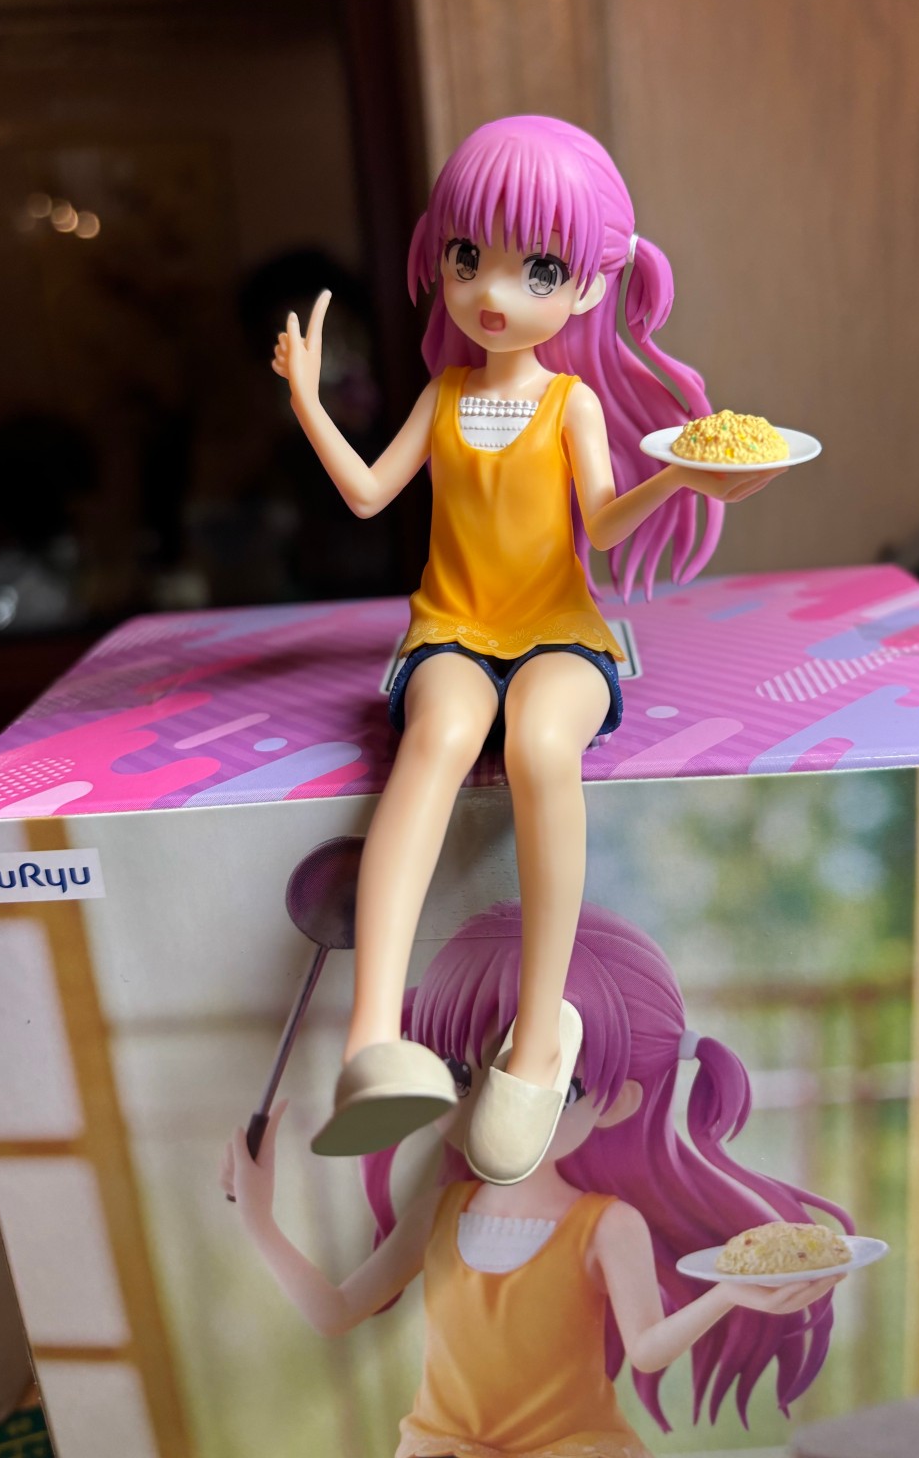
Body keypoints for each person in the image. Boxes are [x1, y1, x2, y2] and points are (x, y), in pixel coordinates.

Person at [273, 117, 779, 1181]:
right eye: (469, 258)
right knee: (438, 736)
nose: (494, 293)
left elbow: (603, 527)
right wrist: (310, 402)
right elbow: (366, 494)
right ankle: (374, 1041)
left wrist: (681, 476)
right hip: (452, 627)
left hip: (556, 631)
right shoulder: (445, 396)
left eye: (537, 269)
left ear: (589, 287)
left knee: (543, 746)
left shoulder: (569, 403)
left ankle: (540, 1039)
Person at [222, 903, 851, 1457]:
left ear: (616, 1102)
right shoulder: (438, 1214)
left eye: (549, 1087)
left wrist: (729, 1293)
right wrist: (259, 1219)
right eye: (457, 1076)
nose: (488, 1109)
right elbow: (335, 1312)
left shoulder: (607, 1225)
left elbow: (648, 1348)